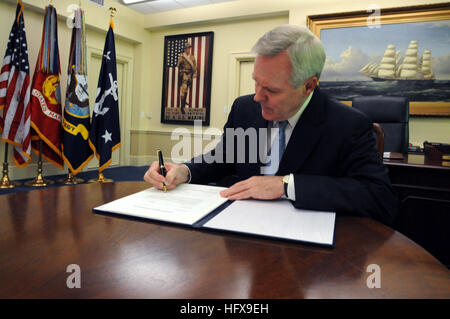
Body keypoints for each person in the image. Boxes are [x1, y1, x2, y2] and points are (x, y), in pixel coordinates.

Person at [145, 25, 397, 226]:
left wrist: (287, 185)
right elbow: (222, 158)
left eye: (271, 89)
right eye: (256, 82)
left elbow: (378, 197)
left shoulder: (349, 124)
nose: (257, 96)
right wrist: (183, 170)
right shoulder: (244, 108)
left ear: (308, 86)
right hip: (240, 232)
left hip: (308, 252)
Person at [177, 40, 197, 114]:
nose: (188, 49)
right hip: (184, 75)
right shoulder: (182, 56)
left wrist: (195, 73)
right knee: (183, 91)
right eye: (187, 48)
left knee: (186, 91)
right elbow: (178, 65)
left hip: (189, 76)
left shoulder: (192, 57)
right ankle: (182, 107)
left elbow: (194, 66)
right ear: (185, 49)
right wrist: (181, 59)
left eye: (189, 48)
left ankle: (183, 103)